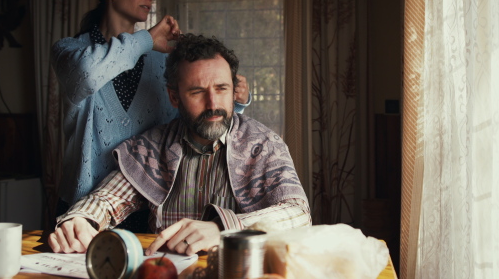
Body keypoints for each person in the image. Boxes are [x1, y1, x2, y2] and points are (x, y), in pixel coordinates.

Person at [48, 33, 311, 255]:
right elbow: (106, 199)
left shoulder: (264, 145)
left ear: (233, 90)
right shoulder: (152, 146)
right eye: (197, 92)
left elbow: (299, 214)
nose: (213, 104)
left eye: (221, 89)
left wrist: (224, 228)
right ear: (174, 97)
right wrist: (81, 219)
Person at [51, 0, 251, 221]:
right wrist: (146, 40)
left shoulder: (160, 62)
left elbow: (189, 124)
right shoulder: (70, 50)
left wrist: (234, 101)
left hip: (146, 206)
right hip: (81, 210)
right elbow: (88, 74)